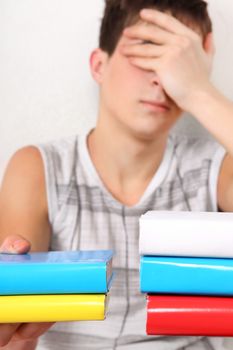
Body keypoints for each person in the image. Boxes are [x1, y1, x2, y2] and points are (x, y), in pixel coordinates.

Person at [1, 0, 233, 349]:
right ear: (99, 65)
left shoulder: (216, 168)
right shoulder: (39, 168)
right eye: (148, 52)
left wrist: (200, 91)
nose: (161, 78)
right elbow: (15, 335)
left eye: (179, 63)